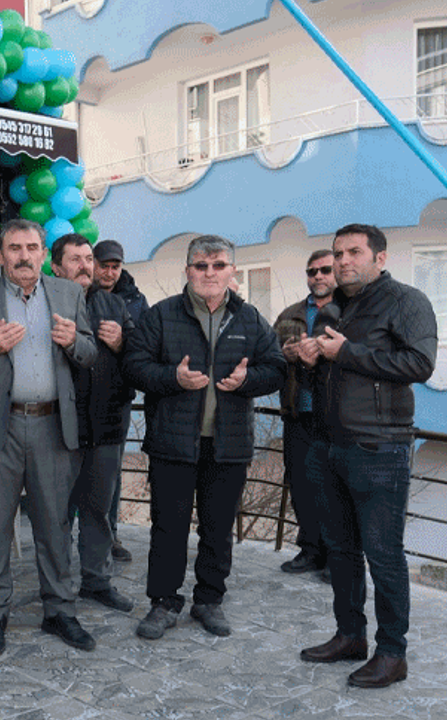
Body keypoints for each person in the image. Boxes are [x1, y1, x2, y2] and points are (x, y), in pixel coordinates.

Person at [0, 218, 97, 655]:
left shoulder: (68, 294)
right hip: (1, 427)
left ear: (44, 254)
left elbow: (90, 353)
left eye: (32, 247)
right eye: (14, 248)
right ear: (0, 255)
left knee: (54, 526)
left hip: (53, 426)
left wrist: (73, 342)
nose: (24, 256)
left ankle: (60, 611)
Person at [124, 235, 284, 641]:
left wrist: (249, 379)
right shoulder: (161, 315)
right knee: (168, 528)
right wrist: (172, 378)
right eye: (201, 266)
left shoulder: (250, 319)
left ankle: (209, 600)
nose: (209, 273)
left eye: (218, 265)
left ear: (232, 271)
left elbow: (277, 368)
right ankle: (164, 602)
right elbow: (134, 365)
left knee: (218, 529)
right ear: (188, 271)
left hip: (229, 445)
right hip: (173, 443)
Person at [297, 224, 436, 688]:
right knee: (340, 550)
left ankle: (392, 654)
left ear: (380, 257)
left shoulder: (406, 301)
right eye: (338, 253)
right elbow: (334, 374)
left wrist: (346, 352)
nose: (343, 261)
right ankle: (350, 635)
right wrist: (312, 360)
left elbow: (420, 364)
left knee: (383, 554)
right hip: (330, 444)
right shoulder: (337, 307)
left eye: (354, 252)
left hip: (379, 447)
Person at [49, 234, 136, 616]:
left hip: (106, 425)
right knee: (57, 513)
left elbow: (139, 359)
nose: (85, 265)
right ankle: (56, 585)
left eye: (89, 258)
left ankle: (97, 581)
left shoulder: (115, 305)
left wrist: (122, 342)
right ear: (56, 267)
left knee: (98, 509)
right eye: (76, 259)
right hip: (58, 428)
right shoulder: (43, 304)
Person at [274, 249, 336, 576]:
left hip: (338, 417)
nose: (318, 276)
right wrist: (283, 354)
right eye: (312, 271)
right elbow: (268, 358)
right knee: (301, 485)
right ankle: (310, 550)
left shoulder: (352, 311)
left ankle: (337, 558)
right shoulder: (289, 315)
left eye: (325, 269)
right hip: (298, 413)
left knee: (336, 489)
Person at [92, 238, 148, 562]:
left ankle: (110, 535)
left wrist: (122, 341)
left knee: (110, 471)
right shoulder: (78, 293)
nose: (110, 272)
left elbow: (146, 347)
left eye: (115, 267)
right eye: (104, 266)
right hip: (78, 396)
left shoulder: (136, 301)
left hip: (117, 398)